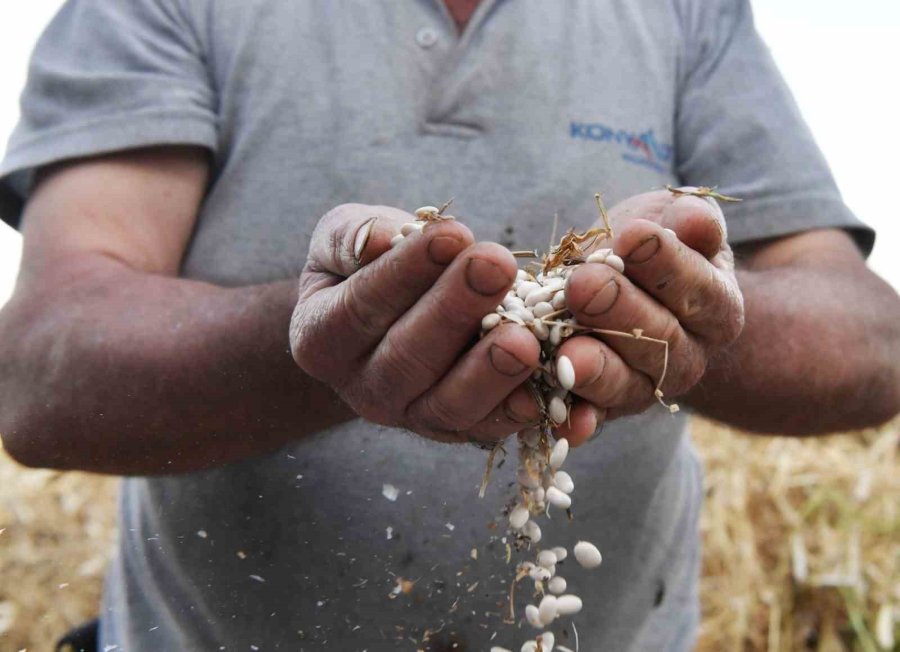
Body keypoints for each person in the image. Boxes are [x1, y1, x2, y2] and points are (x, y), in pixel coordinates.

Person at [0, 0, 897, 649]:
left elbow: (868, 341)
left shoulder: (683, 15)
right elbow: (39, 374)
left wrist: (680, 314)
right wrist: (330, 336)